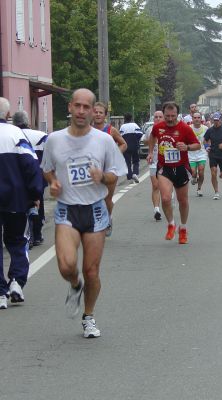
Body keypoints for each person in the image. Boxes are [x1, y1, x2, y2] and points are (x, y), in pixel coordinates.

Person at [42, 88, 117, 338]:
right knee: (66, 266)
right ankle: (75, 286)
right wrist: (52, 182)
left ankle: (89, 316)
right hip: (66, 209)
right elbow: (47, 168)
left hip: (95, 210)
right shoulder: (54, 139)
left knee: (92, 270)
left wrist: (102, 176)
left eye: (87, 107)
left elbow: (115, 174)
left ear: (94, 110)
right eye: (78, 106)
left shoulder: (103, 140)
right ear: (70, 108)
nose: (82, 111)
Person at [0, 98, 42, 310]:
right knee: (17, 240)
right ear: (8, 116)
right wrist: (35, 193)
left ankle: (0, 293)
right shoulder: (16, 134)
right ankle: (16, 281)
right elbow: (31, 166)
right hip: (15, 199)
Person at [147, 101, 200, 244]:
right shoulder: (158, 127)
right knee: (165, 198)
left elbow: (197, 145)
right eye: (167, 116)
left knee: (183, 200)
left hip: (181, 167)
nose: (170, 119)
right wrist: (151, 152)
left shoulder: (184, 128)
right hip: (165, 168)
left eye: (173, 116)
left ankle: (183, 228)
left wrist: (187, 147)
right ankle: (171, 224)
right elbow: (152, 137)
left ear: (178, 114)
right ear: (163, 114)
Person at [12, 110, 48, 247]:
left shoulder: (11, 136)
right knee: (39, 204)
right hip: (38, 177)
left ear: (14, 123)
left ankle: (25, 234)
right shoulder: (41, 136)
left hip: (17, 178)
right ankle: (37, 234)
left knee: (20, 207)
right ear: (28, 122)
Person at [93, 102, 127, 237]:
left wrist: (115, 153)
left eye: (101, 112)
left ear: (105, 115)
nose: (98, 114)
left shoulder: (111, 130)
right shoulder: (87, 130)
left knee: (107, 198)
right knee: (93, 198)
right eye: (95, 112)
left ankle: (108, 219)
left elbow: (124, 144)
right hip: (93, 169)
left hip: (110, 169)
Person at [144, 110, 164, 220]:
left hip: (166, 163)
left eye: (160, 117)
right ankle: (156, 209)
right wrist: (151, 141)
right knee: (155, 186)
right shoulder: (149, 130)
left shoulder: (168, 130)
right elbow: (144, 141)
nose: (157, 118)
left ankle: (170, 197)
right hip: (153, 162)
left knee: (166, 187)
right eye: (156, 117)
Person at [188, 112, 208, 197]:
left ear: (201, 119)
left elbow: (207, 140)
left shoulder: (205, 128)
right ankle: (194, 177)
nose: (196, 119)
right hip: (191, 153)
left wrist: (207, 147)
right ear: (192, 119)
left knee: (201, 171)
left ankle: (199, 188)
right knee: (193, 172)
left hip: (202, 153)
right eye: (195, 118)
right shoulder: (188, 128)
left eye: (198, 117)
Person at [120, 113, 143, 183]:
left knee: (127, 162)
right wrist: (136, 139)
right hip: (135, 145)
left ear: (124, 119)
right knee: (136, 161)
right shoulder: (134, 125)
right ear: (131, 118)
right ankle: (135, 173)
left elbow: (120, 136)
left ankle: (129, 176)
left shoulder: (122, 127)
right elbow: (140, 133)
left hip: (126, 146)